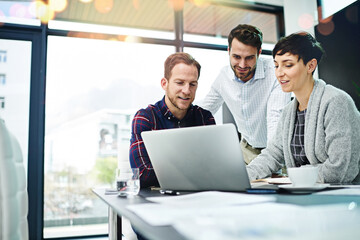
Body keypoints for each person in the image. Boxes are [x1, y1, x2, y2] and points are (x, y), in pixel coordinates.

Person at [247, 31, 360, 183]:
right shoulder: (289, 111)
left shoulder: (336, 102)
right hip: (306, 191)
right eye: (276, 65)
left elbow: (338, 167)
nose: (279, 73)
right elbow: (273, 153)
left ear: (310, 65)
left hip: (341, 195)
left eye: (288, 65)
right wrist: (243, 175)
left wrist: (293, 178)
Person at [201, 24, 291, 164]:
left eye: (249, 58)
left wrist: (271, 160)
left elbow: (276, 118)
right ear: (228, 51)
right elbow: (202, 112)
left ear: (259, 53)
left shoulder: (276, 74)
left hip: (277, 149)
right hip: (246, 149)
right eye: (236, 57)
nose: (242, 65)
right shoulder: (223, 77)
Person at [129, 52, 216, 189]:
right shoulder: (145, 118)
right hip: (157, 203)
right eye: (180, 83)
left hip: (198, 200)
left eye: (192, 84)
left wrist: (166, 170)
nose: (187, 91)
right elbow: (143, 175)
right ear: (165, 83)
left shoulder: (205, 118)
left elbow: (216, 171)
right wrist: (196, 171)